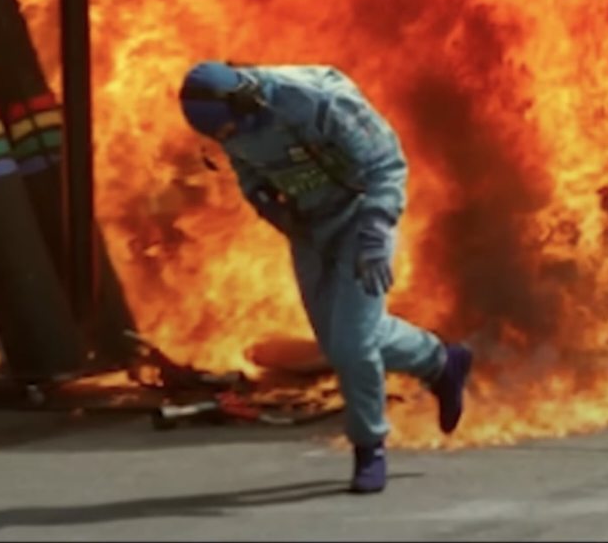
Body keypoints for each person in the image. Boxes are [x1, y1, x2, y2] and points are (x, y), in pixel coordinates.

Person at [178, 61, 472, 495]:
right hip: (311, 230)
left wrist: (375, 233)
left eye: (231, 130)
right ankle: (440, 362)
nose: (230, 141)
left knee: (354, 345)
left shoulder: (319, 100)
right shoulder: (232, 128)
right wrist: (270, 207)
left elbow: (385, 166)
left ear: (246, 99)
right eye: (221, 138)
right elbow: (249, 172)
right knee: (341, 343)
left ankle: (369, 446)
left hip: (359, 218)